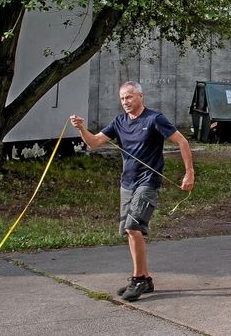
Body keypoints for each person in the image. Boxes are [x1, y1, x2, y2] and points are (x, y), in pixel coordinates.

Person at [69, 81, 194, 301]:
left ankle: (137, 279)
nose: (125, 102)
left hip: (148, 181)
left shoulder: (154, 119)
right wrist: (81, 129)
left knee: (133, 227)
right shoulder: (119, 121)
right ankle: (145, 278)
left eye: (129, 97)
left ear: (140, 97)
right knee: (129, 231)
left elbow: (182, 141)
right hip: (127, 183)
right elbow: (95, 142)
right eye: (122, 98)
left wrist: (189, 172)